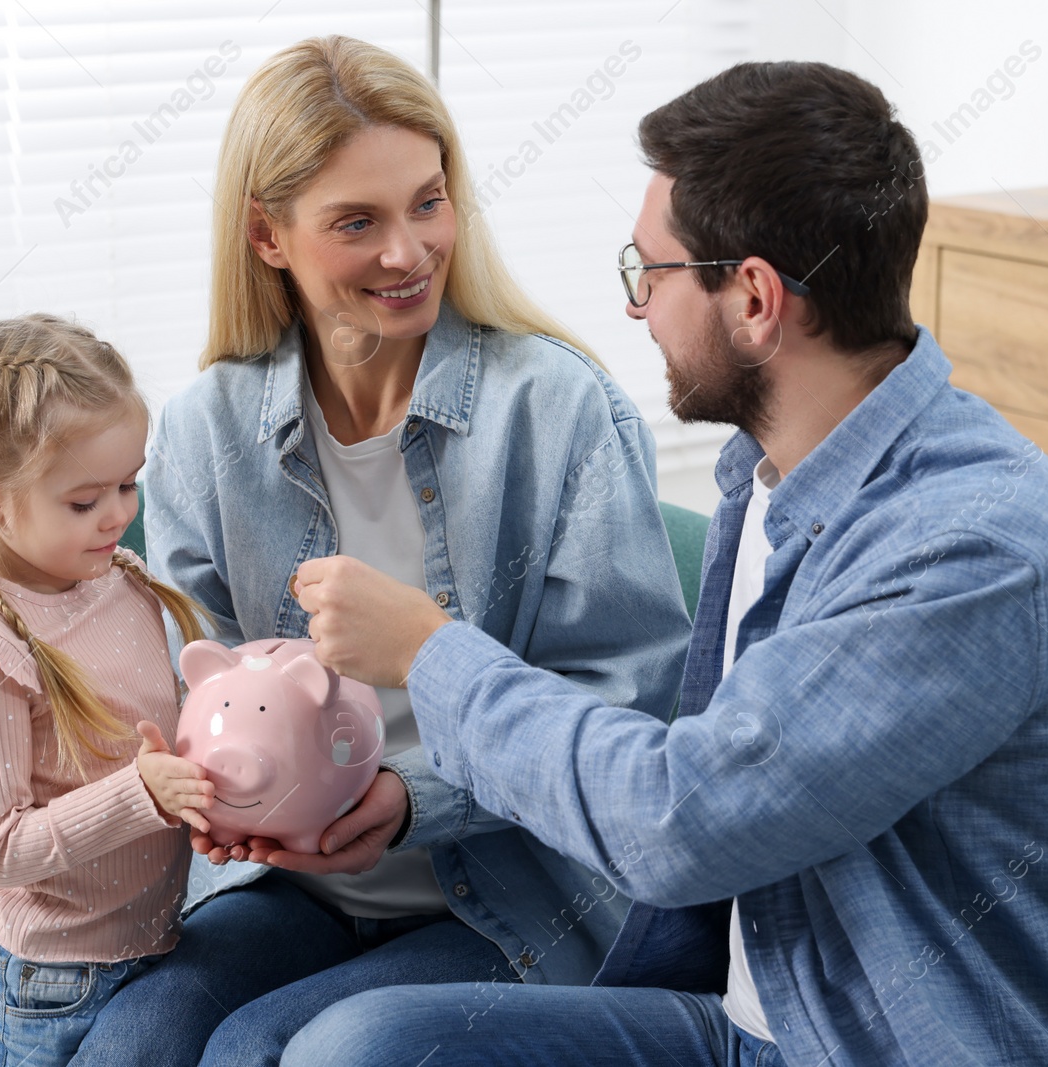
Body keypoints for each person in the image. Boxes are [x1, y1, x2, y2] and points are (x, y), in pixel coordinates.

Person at [277, 60, 1048, 1066]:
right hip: (762, 1018)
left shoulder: (977, 549)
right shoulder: (768, 471)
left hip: (897, 1045)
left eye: (650, 272)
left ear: (753, 299)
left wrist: (431, 652)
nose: (637, 310)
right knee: (359, 1047)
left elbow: (679, 819)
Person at [68, 35, 693, 1065]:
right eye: (357, 221)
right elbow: (195, 670)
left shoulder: (559, 411)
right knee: (132, 1039)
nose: (408, 252)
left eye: (427, 202)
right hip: (292, 882)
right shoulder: (204, 430)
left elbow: (623, 708)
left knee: (254, 1049)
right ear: (268, 235)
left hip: (511, 893)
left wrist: (409, 799)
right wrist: (208, 790)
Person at [0, 314, 222, 1067]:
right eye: (85, 501)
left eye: (128, 482)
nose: (120, 514)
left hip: (152, 941)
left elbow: (151, 735)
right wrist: (142, 794)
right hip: (41, 985)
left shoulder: (121, 582)